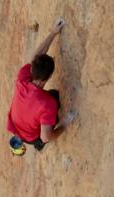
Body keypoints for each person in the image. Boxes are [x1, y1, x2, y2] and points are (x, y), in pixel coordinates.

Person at [7, 19, 76, 151]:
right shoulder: (47, 104)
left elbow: (36, 57)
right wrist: (65, 123)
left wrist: (53, 33)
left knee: (52, 98)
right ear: (49, 77)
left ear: (32, 69)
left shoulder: (22, 77)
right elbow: (46, 137)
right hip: (31, 137)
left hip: (16, 124)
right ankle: (38, 146)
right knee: (55, 97)